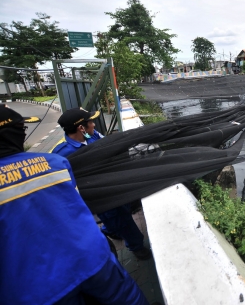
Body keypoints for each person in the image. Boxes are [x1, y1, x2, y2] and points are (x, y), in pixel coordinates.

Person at [0, 105, 149, 305]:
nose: (94, 124)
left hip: (38, 287)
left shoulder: (86, 141)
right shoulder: (57, 160)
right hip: (89, 255)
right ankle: (131, 242)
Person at [52, 107, 152, 260]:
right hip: (99, 195)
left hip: (113, 183)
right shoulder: (61, 154)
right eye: (91, 122)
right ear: (80, 127)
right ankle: (136, 246)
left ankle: (110, 228)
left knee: (121, 212)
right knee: (121, 219)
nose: (94, 125)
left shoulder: (92, 136)